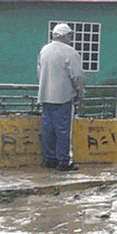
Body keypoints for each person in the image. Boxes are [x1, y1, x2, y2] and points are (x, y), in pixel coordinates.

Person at [37, 23, 85, 172]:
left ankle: (49, 159)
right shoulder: (70, 53)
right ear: (64, 36)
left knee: (48, 130)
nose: (71, 38)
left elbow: (39, 71)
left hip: (45, 97)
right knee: (64, 131)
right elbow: (77, 76)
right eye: (70, 35)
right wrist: (80, 92)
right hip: (63, 97)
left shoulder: (44, 50)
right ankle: (64, 162)